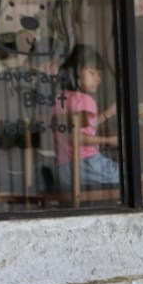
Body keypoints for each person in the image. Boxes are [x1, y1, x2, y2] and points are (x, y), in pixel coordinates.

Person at [52, 44, 121, 189]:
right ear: (75, 74)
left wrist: (107, 113)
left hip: (64, 169)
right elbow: (76, 138)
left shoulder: (60, 98)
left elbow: (82, 125)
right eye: (92, 73)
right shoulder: (85, 100)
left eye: (100, 74)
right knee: (139, 179)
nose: (98, 79)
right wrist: (110, 140)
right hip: (88, 164)